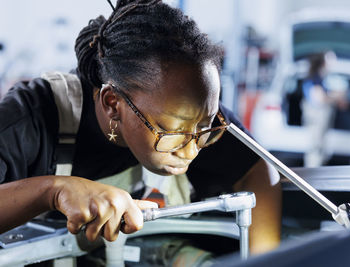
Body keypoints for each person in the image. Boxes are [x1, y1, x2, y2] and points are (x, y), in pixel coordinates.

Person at [0, 0, 281, 255]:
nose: (191, 150)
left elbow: (257, 170)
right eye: (172, 132)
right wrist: (53, 191)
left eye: (205, 127)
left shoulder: (192, 118)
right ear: (113, 103)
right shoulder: (28, 118)